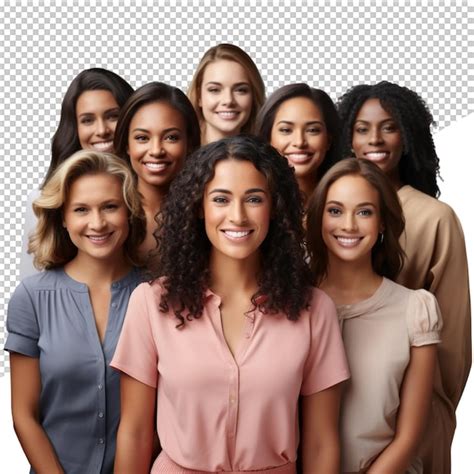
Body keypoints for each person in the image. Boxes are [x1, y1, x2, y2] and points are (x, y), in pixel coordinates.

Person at [111, 136, 350, 473]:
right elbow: (135, 433)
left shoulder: (314, 310)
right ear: (199, 207)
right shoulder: (151, 304)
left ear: (275, 208)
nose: (237, 216)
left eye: (253, 199)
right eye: (221, 199)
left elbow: (322, 442)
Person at [336, 81, 471, 473]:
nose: (374, 139)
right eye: (361, 128)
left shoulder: (434, 218)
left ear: (408, 136)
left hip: (409, 405)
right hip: (336, 404)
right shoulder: (327, 211)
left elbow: (454, 343)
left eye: (389, 126)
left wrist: (425, 413)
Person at [6, 150, 146, 474]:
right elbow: (24, 416)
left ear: (129, 212)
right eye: (81, 209)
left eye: (110, 207)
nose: (97, 223)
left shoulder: (155, 295)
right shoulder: (32, 297)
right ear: (63, 218)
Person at [306, 158, 442, 473]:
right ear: (319, 218)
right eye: (335, 210)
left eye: (364, 211)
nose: (349, 225)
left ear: (382, 222)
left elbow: (409, 436)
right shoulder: (293, 303)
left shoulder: (415, 310)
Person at [20, 68, 134, 278]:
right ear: (74, 128)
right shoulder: (45, 201)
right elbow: (31, 286)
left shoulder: (152, 193)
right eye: (87, 120)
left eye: (112, 116)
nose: (101, 130)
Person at [113, 81, 200, 258]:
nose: (156, 151)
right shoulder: (108, 213)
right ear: (127, 144)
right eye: (142, 138)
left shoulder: (205, 212)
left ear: (189, 144)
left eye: (171, 137)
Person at [256, 83, 340, 205]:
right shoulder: (256, 201)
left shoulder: (347, 199)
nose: (299, 142)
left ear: (328, 140)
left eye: (312, 130)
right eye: (286, 130)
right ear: (268, 138)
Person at [188, 43, 265, 144]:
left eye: (240, 90)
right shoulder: (180, 155)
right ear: (199, 97)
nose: (228, 100)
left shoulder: (269, 156)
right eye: (214, 90)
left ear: (253, 96)